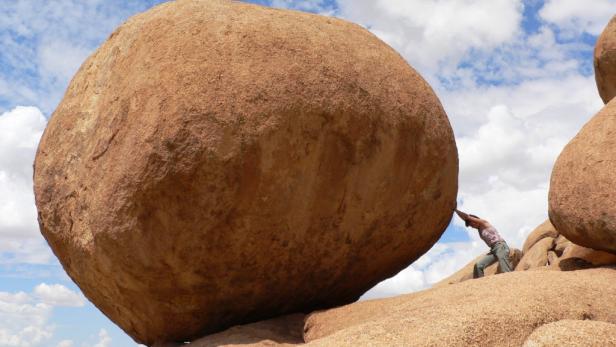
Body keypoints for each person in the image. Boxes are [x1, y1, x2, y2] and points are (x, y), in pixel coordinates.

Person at [455, 209, 513, 278]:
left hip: (500, 246)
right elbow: (466, 219)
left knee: (504, 266)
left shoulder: (484, 223)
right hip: (493, 250)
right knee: (478, 265)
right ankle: (480, 284)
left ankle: (511, 280)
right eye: (471, 226)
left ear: (475, 220)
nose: (472, 226)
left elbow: (466, 217)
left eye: (472, 223)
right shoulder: (479, 231)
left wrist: (456, 210)